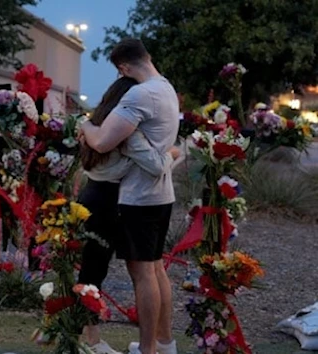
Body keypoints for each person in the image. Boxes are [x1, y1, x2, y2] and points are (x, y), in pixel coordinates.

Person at [80, 38, 180, 354]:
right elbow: (155, 156)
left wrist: (86, 126)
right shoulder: (166, 89)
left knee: (142, 272)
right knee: (153, 269)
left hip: (136, 198)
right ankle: (162, 343)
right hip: (155, 196)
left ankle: (149, 348)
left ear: (123, 67)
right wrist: (169, 156)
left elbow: (102, 142)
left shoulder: (139, 95)